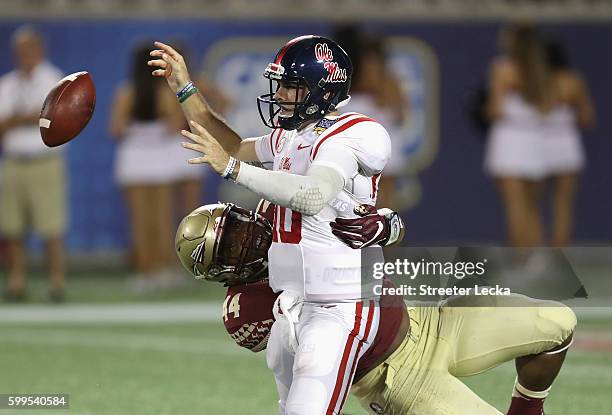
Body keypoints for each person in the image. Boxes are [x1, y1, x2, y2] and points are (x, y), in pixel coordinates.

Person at [150, 35, 392, 414]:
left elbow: (314, 194)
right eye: (279, 84)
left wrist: (232, 169)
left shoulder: (358, 134)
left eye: (291, 86)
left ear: (323, 89)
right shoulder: (291, 136)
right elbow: (229, 147)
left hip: (341, 304)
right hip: (292, 303)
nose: (279, 95)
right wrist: (185, 89)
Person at [176, 201, 576, 415]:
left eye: (239, 225)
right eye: (229, 246)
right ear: (222, 270)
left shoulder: (283, 211)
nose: (245, 238)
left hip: (427, 318)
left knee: (558, 321)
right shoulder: (246, 308)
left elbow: (386, 223)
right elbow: (303, 369)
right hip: (393, 378)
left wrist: (385, 225)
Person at [484, 24, 595, 247]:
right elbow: (584, 118)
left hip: (512, 140)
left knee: (518, 205)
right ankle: (550, 260)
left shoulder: (504, 69)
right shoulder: (559, 77)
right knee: (546, 205)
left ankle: (523, 259)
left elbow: (496, 110)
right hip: (540, 141)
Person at [109, 43, 185, 292]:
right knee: (161, 219)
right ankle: (160, 270)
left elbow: (116, 129)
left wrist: (137, 129)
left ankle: (147, 272)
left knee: (142, 221)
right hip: (157, 160)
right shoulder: (163, 92)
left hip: (135, 161)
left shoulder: (126, 93)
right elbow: (175, 125)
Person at [0, 26, 65, 302]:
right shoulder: (8, 84)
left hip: (44, 161)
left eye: (30, 49)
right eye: (21, 51)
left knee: (51, 226)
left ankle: (56, 282)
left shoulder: (54, 79)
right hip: (14, 162)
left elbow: (52, 117)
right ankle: (17, 281)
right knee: (12, 226)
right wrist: (29, 116)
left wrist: (18, 120)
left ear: (40, 50)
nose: (25, 55)